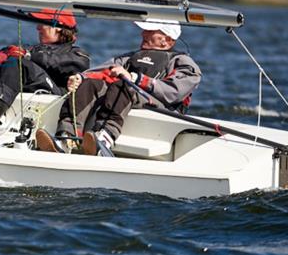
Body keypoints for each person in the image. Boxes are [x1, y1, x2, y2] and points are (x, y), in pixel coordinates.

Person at [36, 20, 201, 156]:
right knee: (90, 83)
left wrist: (136, 79)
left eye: (150, 32)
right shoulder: (130, 57)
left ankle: (104, 137)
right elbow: (102, 70)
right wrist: (81, 77)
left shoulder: (182, 63)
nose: (143, 34)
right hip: (127, 95)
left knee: (124, 85)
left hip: (158, 104)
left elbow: (174, 92)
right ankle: (66, 137)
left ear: (167, 40)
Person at [0, 8, 90, 138]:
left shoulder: (78, 54)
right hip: (30, 83)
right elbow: (17, 51)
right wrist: (4, 53)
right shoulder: (35, 48)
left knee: (17, 63)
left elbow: (53, 61)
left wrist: (26, 54)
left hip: (54, 94)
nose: (37, 27)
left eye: (43, 23)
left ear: (59, 27)